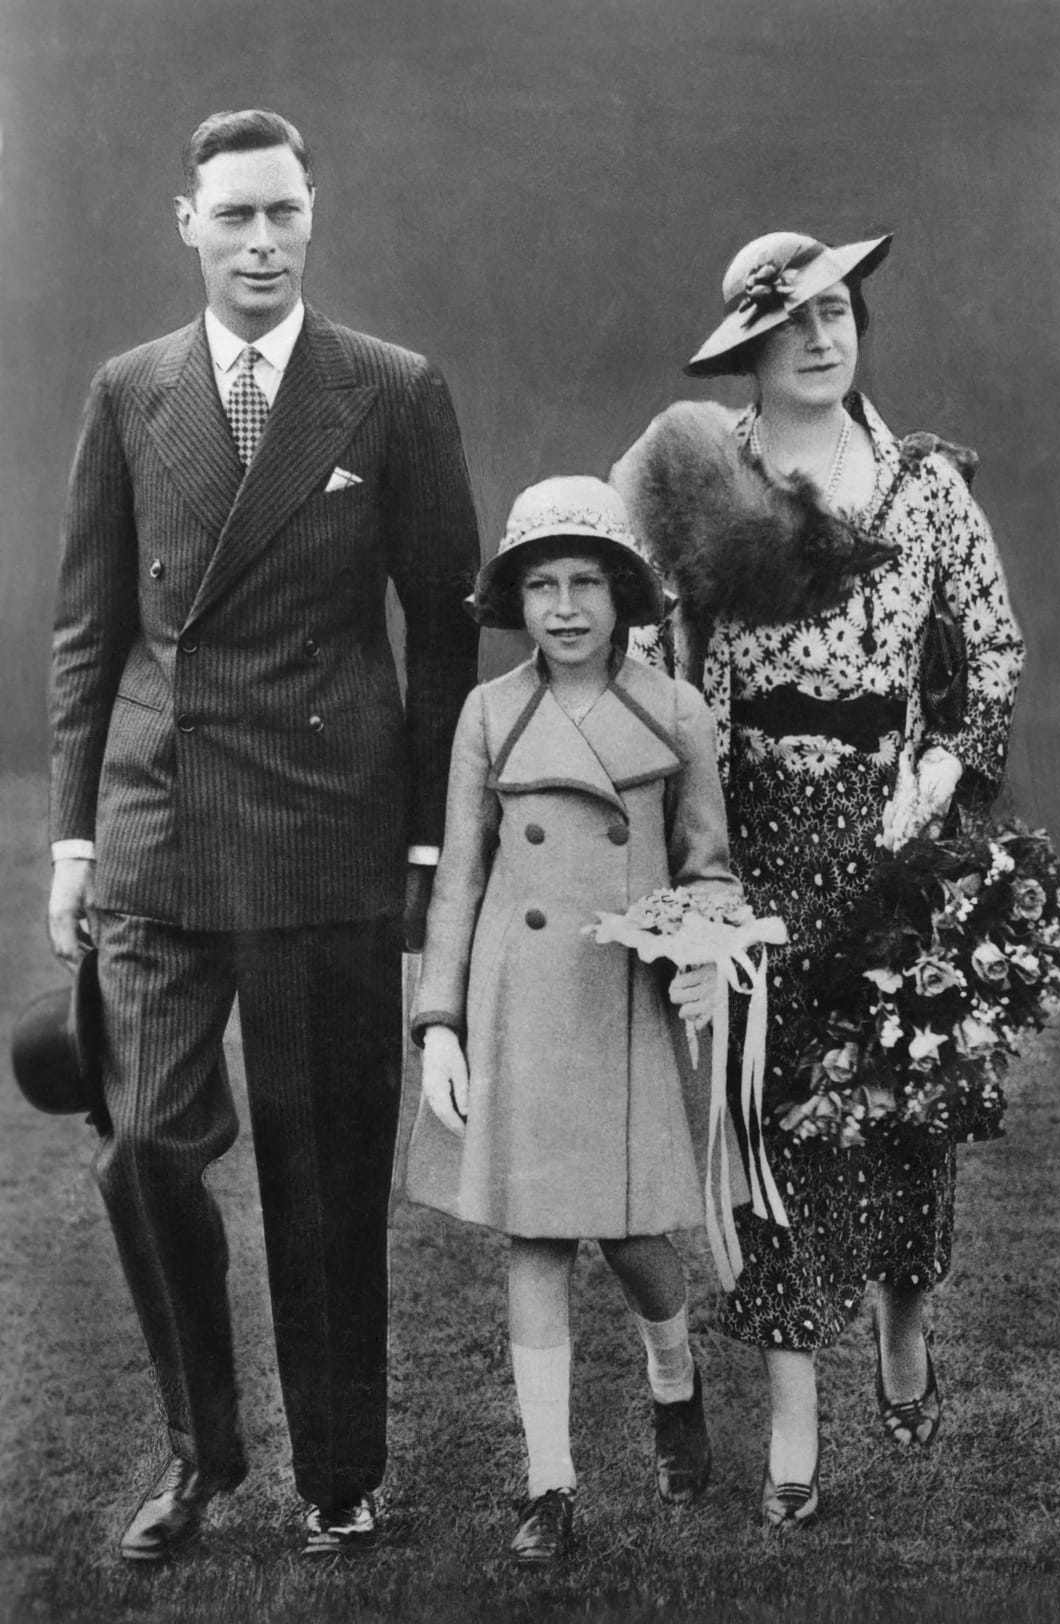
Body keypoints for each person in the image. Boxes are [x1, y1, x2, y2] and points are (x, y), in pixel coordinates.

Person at [47, 108, 480, 1560]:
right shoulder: (129, 392)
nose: (259, 242)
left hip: (324, 839)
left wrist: (424, 844)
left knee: (322, 1170)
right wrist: (68, 844)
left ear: (315, 215)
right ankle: (202, 1449)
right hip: (159, 835)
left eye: (282, 214)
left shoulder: (392, 392)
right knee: (143, 1150)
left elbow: (444, 632)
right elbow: (88, 632)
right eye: (232, 216)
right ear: (188, 221)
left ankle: (340, 1473)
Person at [611, 231, 1024, 1527]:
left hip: (901, 841)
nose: (821, 337)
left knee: (901, 1120)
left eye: (838, 312)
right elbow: (638, 634)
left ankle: (903, 1330)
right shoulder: (697, 481)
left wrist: (942, 780)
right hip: (754, 842)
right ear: (749, 347)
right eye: (791, 322)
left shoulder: (925, 489)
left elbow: (994, 654)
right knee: (776, 1136)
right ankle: (795, 1407)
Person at [403, 476, 737, 1563]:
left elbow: (711, 872)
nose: (562, 607)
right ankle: (548, 1479)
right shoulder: (489, 713)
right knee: (535, 1234)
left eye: (584, 582)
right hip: (523, 997)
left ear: (622, 593)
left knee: (638, 1238)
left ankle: (671, 1377)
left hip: (628, 1003)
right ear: (515, 599)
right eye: (539, 584)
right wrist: (439, 1021)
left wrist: (702, 951)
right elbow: (459, 877)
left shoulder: (673, 711)